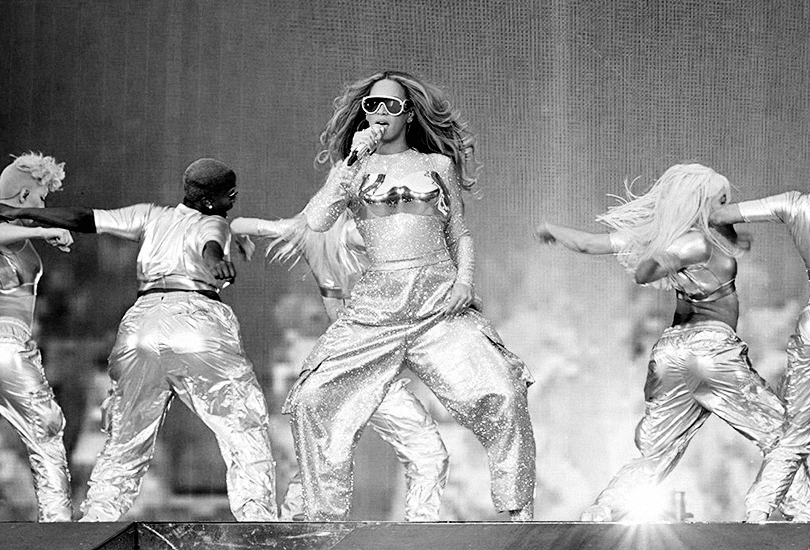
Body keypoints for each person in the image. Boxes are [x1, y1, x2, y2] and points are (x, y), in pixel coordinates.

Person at [283, 70, 536, 521]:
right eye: (373, 105)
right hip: (376, 308)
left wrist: (464, 282)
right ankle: (321, 523)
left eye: (392, 106)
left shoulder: (435, 166)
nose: (381, 114)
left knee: (503, 390)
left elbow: (459, 231)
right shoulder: (353, 169)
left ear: (409, 113)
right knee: (311, 398)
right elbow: (317, 221)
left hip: (438, 302)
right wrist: (350, 164)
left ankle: (518, 514)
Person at [0, 158, 278, 522]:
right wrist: (216, 261)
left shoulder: (149, 215)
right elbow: (211, 241)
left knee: (126, 436)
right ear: (228, 197)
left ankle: (96, 519)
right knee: (242, 422)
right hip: (196, 318)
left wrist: (18, 213)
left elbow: (84, 218)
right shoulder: (215, 222)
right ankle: (258, 519)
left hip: (141, 326)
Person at [536, 163, 797, 522]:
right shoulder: (693, 241)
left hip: (672, 355)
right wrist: (661, 261)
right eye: (722, 200)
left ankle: (605, 508)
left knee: (656, 453)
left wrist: (553, 230)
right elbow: (646, 272)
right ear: (701, 202)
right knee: (784, 434)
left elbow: (588, 244)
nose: (728, 207)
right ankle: (793, 511)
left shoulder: (691, 237)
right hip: (710, 350)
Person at [231, 210, 450, 521]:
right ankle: (294, 535)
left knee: (422, 453)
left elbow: (245, 223)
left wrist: (241, 233)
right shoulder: (352, 237)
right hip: (344, 371)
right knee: (323, 465)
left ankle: (417, 533)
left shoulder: (314, 234)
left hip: (367, 371)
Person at [711, 191, 810, 521]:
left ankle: (758, 511)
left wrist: (733, 244)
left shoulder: (798, 205)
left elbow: (718, 215)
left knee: (795, 434)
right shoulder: (796, 205)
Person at [0, 153, 74, 521]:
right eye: (40, 198)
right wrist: (42, 231)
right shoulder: (9, 227)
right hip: (6, 345)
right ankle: (58, 530)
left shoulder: (17, 232)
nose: (44, 207)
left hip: (16, 343)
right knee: (46, 429)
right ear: (24, 193)